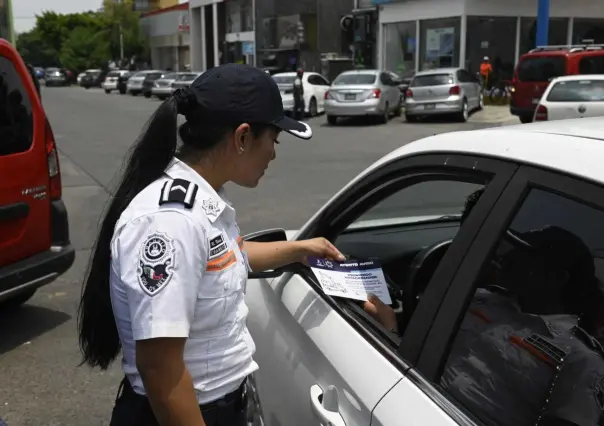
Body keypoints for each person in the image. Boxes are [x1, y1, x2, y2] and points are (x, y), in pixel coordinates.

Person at [77, 63, 345, 426]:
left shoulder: (200, 202)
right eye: (274, 140)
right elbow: (160, 369)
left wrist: (298, 250)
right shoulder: (172, 221)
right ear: (243, 137)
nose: (274, 155)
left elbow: (221, 258)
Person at [363, 191, 604, 426]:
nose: (509, 258)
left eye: (526, 255)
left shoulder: (579, 359)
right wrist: (390, 329)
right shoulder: (482, 297)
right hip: (403, 399)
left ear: (556, 277)